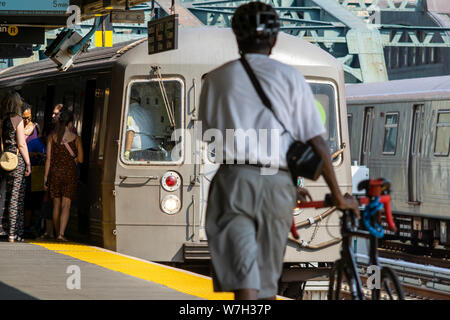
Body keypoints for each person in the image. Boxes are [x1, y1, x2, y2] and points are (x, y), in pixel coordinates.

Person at [198, 2, 359, 300]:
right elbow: (318, 143)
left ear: (236, 36)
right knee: (266, 274)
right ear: (274, 38)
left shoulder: (216, 79)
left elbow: (213, 138)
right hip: (277, 186)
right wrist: (337, 196)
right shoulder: (291, 77)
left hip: (232, 179)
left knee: (243, 272)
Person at [44, 111, 83, 242]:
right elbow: (81, 160)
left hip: (54, 173)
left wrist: (45, 178)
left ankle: (55, 233)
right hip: (70, 174)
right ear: (70, 123)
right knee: (66, 205)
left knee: (56, 204)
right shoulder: (76, 138)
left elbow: (48, 159)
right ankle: (61, 234)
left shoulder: (51, 137)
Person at [0, 91, 31, 242]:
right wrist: (28, 163)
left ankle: (5, 230)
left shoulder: (3, 120)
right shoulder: (17, 120)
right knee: (16, 197)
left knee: (5, 196)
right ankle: (14, 233)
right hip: (16, 161)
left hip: (4, 160)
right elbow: (21, 144)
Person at [124, 88, 159, 160]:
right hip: (153, 149)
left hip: (139, 152)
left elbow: (130, 131)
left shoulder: (130, 112)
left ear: (128, 98)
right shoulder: (147, 112)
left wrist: (126, 152)